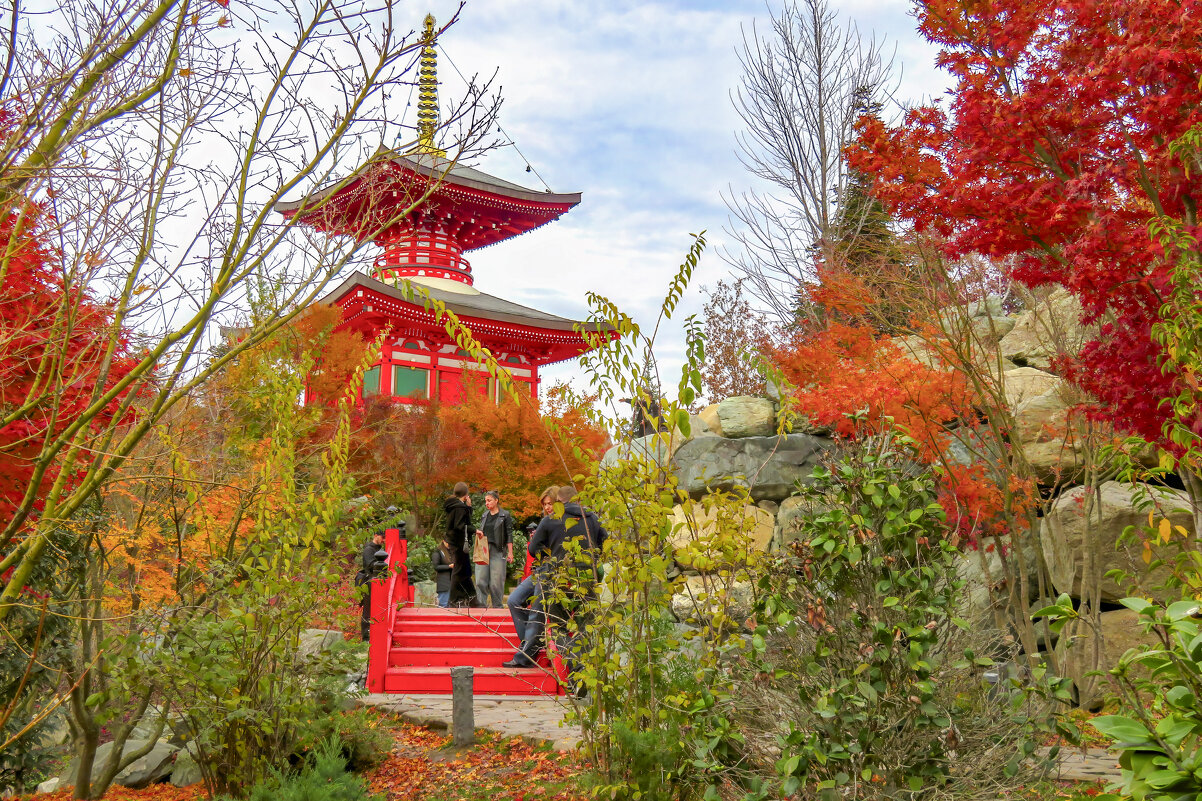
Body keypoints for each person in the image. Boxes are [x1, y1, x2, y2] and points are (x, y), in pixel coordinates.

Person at [502, 486, 558, 668]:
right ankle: (532, 643)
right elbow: (534, 549)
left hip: (552, 572)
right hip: (539, 570)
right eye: (545, 504)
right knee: (514, 600)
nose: (548, 507)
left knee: (536, 610)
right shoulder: (545, 521)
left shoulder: (561, 522)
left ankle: (526, 655)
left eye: (550, 503)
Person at [473, 490, 514, 608]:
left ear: (496, 500)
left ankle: (497, 608)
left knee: (496, 583)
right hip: (484, 550)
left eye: (489, 500)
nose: (487, 503)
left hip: (498, 550)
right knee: (480, 580)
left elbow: (509, 534)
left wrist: (510, 553)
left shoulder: (505, 515)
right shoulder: (484, 515)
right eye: (486, 501)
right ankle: (481, 607)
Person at [442, 482, 477, 606]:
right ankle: (453, 599)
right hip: (459, 542)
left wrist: (468, 507)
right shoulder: (460, 507)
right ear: (466, 494)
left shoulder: (453, 505)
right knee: (459, 570)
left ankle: (471, 599)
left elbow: (461, 521)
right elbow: (460, 525)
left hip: (453, 541)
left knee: (466, 570)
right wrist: (475, 530)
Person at [356, 529, 387, 641]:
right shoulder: (369, 549)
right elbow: (370, 565)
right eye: (382, 537)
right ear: (376, 536)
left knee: (377, 608)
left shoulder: (380, 549)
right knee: (368, 609)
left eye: (385, 538)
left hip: (377, 581)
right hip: (369, 581)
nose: (384, 540)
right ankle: (366, 636)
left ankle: (376, 634)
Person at [432, 539, 453, 607]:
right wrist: (449, 566)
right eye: (448, 542)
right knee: (443, 606)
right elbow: (436, 566)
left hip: (453, 583)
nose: (449, 544)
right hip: (443, 583)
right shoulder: (438, 552)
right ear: (443, 541)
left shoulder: (452, 551)